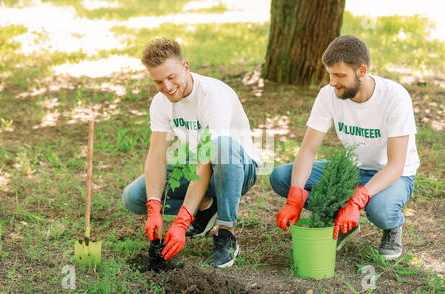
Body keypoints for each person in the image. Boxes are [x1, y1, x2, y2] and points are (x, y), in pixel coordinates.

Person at [270, 35, 420, 260]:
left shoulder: (394, 97)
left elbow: (396, 165)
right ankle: (339, 219)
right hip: (353, 169)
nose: (332, 82)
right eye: (330, 74)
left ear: (361, 70)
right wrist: (295, 197)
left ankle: (393, 227)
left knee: (380, 210)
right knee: (282, 177)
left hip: (393, 175)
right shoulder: (328, 95)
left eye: (340, 75)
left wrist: (358, 200)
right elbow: (308, 150)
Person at [122, 38, 261, 268]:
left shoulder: (212, 96)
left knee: (220, 147)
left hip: (236, 170)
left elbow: (207, 160)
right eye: (158, 81)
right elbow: (157, 155)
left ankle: (226, 233)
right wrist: (154, 207)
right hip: (198, 167)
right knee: (134, 196)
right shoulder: (160, 102)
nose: (167, 86)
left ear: (186, 66)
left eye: (171, 77)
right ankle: (206, 208)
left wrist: (182, 220)